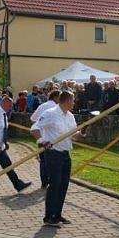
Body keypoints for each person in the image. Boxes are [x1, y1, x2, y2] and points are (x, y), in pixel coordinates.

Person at [32, 90, 87, 226]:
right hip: (53, 153)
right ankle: (49, 217)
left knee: (63, 185)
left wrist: (83, 131)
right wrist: (42, 141)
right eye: (73, 100)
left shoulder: (70, 116)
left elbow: (74, 137)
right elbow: (34, 128)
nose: (74, 103)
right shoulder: (50, 113)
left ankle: (57, 214)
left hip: (65, 154)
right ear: (67, 100)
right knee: (55, 184)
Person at [31, 90, 60, 188]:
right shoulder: (56, 108)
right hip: (51, 138)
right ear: (55, 97)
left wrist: (40, 124)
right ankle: (52, 182)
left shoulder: (42, 106)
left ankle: (44, 182)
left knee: (43, 161)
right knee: (53, 162)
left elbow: (33, 118)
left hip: (40, 137)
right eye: (59, 97)